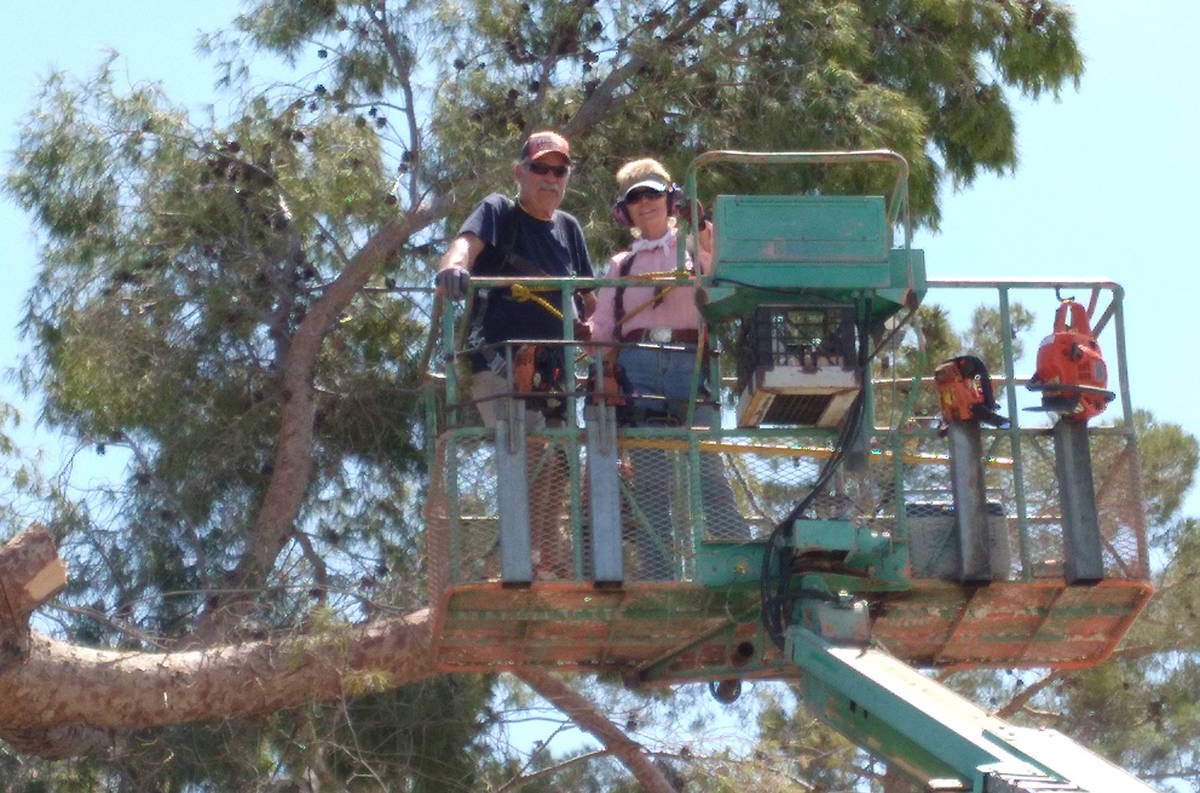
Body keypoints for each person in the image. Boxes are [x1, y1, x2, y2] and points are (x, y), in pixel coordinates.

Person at [435, 130, 595, 579]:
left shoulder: (569, 230)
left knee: (556, 468)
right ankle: (521, 561)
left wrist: (597, 334)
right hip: (500, 366)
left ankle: (543, 561)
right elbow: (465, 245)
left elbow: (591, 299)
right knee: (528, 454)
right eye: (540, 168)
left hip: (555, 371)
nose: (549, 178)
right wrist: (453, 268)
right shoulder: (500, 211)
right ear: (519, 172)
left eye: (558, 170)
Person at [590, 158, 748, 580]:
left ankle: (739, 569)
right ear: (625, 211)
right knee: (653, 484)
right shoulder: (620, 265)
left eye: (653, 193)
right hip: (636, 368)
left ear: (671, 199)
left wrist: (701, 229)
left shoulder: (695, 245)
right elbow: (604, 326)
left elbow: (722, 279)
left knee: (710, 470)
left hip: (689, 363)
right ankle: (662, 579)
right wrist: (596, 361)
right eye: (635, 197)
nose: (645, 203)